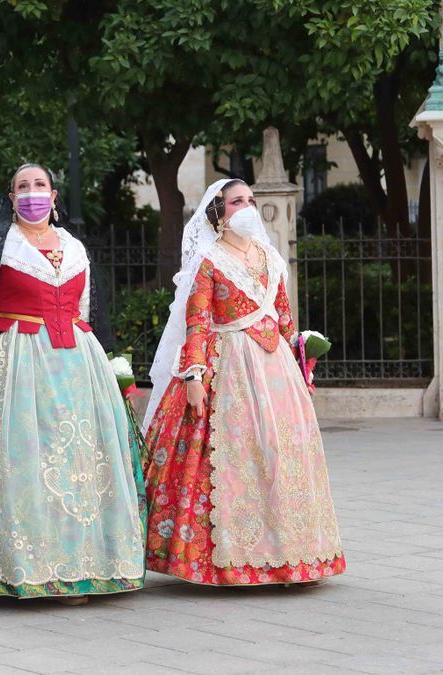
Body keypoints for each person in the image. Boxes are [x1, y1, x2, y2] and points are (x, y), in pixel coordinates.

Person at [0, 164, 146, 602]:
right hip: (15, 362)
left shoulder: (76, 248)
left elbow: (98, 314)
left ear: (54, 197)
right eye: (23, 187)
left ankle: (82, 567)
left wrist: (118, 370)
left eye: (39, 186)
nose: (32, 193)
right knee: (22, 459)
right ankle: (29, 567)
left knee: (79, 464)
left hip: (80, 368)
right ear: (11, 197)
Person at [141, 178, 344, 586]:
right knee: (237, 455)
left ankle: (293, 555)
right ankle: (234, 560)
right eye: (237, 201)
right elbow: (197, 323)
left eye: (251, 200)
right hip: (229, 364)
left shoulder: (270, 258)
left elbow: (285, 317)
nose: (247, 206)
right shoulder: (209, 260)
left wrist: (300, 357)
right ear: (219, 212)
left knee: (281, 450)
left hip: (276, 370)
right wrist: (194, 374)